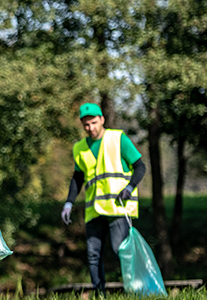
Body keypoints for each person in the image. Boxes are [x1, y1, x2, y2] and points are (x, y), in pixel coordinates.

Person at [61, 103, 146, 296]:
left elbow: (140, 167)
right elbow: (78, 178)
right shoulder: (80, 148)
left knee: (121, 252)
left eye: (93, 122)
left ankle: (134, 292)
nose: (90, 128)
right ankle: (100, 295)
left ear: (102, 119)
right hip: (94, 210)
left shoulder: (118, 139)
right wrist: (69, 202)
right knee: (93, 255)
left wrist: (130, 187)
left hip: (118, 207)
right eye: (86, 124)